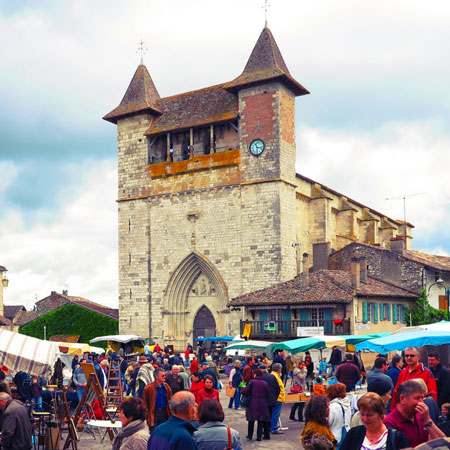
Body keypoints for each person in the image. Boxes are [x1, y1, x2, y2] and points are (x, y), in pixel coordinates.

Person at [384, 378, 445, 447]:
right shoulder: (390, 423)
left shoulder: (421, 416)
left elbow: (443, 443)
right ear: (402, 399)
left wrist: (427, 420)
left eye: (422, 398)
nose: (421, 402)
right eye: (417, 398)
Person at [339, 392, 409, 450]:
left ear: (381, 415)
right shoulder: (354, 434)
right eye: (362, 414)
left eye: (370, 415)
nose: (365, 419)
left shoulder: (397, 438)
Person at [240, 368, 271, 441]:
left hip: (253, 402)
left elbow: (245, 391)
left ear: (255, 374)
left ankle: (250, 435)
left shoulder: (252, 382)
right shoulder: (265, 383)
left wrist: (241, 388)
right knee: (261, 419)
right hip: (263, 402)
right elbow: (268, 393)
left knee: (251, 419)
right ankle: (259, 437)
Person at [142, 367, 173, 432]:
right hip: (154, 413)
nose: (164, 377)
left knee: (164, 431)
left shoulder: (166, 387)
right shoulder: (148, 388)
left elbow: (170, 399)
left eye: (165, 375)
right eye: (162, 375)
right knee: (154, 431)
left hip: (164, 412)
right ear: (156, 377)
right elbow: (144, 403)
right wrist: (147, 414)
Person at [327, 382, 351, 449]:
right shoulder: (347, 404)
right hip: (346, 434)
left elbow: (328, 422)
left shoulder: (333, 406)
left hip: (335, 437)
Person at [270, 362, 286, 435]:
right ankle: (274, 428)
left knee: (274, 413)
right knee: (276, 414)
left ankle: (272, 427)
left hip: (276, 397)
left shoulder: (273, 375)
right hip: (278, 398)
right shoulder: (275, 376)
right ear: (278, 370)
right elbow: (279, 387)